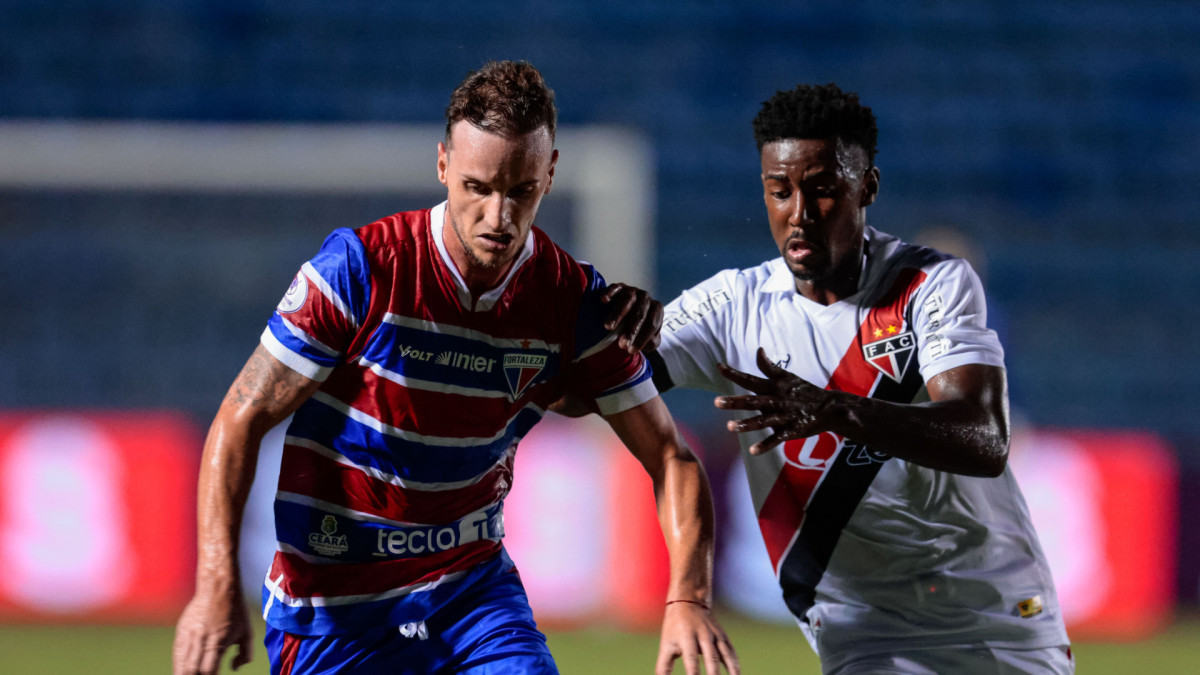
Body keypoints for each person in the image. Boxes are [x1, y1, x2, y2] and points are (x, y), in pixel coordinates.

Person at [172, 60, 738, 675]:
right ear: (443, 165)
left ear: (549, 174)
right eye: (477, 187)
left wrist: (689, 597)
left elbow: (672, 459)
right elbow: (242, 413)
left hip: (471, 597)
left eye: (520, 191)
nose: (499, 216)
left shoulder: (570, 304)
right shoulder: (362, 270)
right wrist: (214, 584)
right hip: (335, 605)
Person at [640, 83, 1071, 673]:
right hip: (861, 635)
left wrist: (835, 411)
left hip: (993, 624)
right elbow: (595, 386)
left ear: (865, 186)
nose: (799, 214)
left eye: (822, 191)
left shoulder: (931, 285)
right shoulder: (731, 306)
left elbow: (983, 439)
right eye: (779, 191)